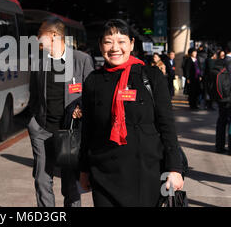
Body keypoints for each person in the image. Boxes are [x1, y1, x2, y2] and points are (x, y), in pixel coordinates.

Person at [79, 19, 184, 207]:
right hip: (104, 173)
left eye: (121, 41)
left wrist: (174, 168)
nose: (115, 48)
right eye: (108, 41)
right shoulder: (93, 81)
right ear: (101, 45)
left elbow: (167, 125)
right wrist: (84, 169)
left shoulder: (151, 76)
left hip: (146, 172)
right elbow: (87, 130)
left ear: (132, 44)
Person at [27, 17, 94, 207]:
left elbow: (92, 93)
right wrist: (32, 121)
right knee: (42, 179)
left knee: (71, 183)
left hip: (69, 132)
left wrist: (82, 107)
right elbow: (34, 95)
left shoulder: (81, 60)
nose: (37, 38)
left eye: (40, 34)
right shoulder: (39, 62)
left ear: (54, 35)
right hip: (42, 130)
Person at [215, 42, 231, 155]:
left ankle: (219, 146)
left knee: (221, 121)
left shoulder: (220, 61)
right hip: (230, 98)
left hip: (222, 97)